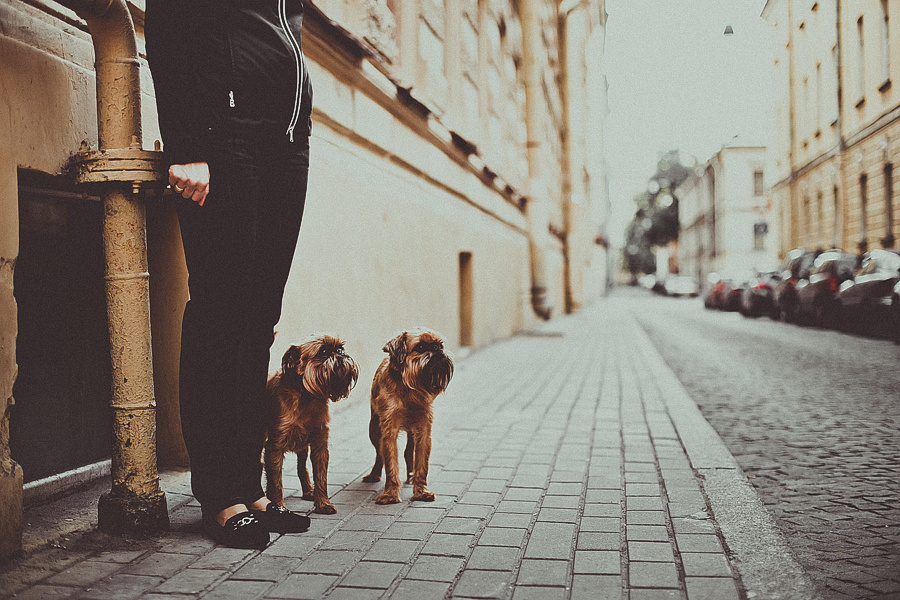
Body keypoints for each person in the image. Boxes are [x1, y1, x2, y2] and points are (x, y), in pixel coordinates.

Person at [145, 0, 314, 549]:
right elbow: (171, 26)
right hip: (225, 141)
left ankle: (248, 485)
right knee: (221, 313)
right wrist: (189, 145)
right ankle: (219, 496)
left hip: (286, 146)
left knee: (258, 319)